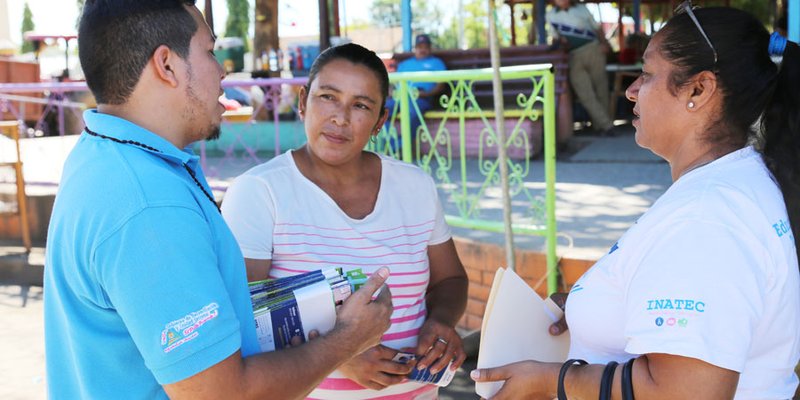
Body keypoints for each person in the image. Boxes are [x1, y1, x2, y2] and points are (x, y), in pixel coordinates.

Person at [43, 2, 394, 399]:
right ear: (167, 65)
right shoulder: (151, 207)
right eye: (209, 51)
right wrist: (349, 338)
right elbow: (222, 394)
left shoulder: (105, 155)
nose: (223, 68)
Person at [473, 5, 800, 399]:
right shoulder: (732, 185)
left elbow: (687, 392)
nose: (631, 89)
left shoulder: (705, 218)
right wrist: (597, 305)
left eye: (646, 74)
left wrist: (552, 379)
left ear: (699, 89)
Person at [221, 43, 469, 399]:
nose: (340, 117)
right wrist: (339, 356)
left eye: (361, 105)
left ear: (380, 120)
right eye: (328, 97)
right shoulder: (260, 192)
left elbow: (451, 279)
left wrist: (441, 322)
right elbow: (244, 316)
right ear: (304, 101)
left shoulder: (414, 187)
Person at [547, 0, 617, 136]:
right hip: (573, 55)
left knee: (601, 88)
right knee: (584, 92)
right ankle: (607, 126)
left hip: (593, 49)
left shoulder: (581, 9)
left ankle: (601, 126)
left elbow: (597, 29)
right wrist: (559, 44)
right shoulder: (551, 15)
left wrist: (604, 44)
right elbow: (555, 38)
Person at [384, 34, 447, 151]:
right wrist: (392, 91)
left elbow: (441, 85)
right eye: (419, 46)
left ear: (430, 48)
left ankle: (402, 146)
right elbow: (393, 83)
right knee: (380, 110)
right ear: (415, 48)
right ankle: (393, 145)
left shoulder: (436, 63)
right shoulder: (405, 64)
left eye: (425, 46)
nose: (422, 49)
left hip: (421, 97)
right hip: (401, 96)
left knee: (411, 112)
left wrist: (426, 94)